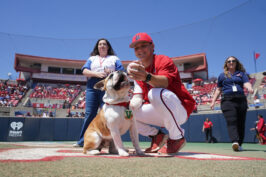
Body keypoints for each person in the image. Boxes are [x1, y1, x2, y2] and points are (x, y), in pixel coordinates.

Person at [127, 32, 195, 154]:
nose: (140, 50)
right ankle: (156, 136)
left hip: (179, 109)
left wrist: (147, 77)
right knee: (126, 114)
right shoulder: (137, 70)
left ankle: (177, 137)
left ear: (152, 46)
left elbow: (164, 83)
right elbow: (137, 96)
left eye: (143, 45)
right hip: (160, 111)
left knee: (155, 93)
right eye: (136, 48)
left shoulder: (163, 60)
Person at [73, 38, 124, 147]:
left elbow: (121, 71)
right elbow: (84, 71)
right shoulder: (92, 58)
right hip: (92, 86)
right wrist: (97, 74)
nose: (102, 46)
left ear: (108, 46)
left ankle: (112, 143)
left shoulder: (114, 58)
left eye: (104, 44)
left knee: (108, 115)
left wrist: (112, 72)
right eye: (100, 44)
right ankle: (83, 141)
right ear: (97, 47)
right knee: (89, 114)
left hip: (108, 87)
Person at [210, 56, 254, 151]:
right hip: (227, 100)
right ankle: (235, 141)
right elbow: (218, 89)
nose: (231, 62)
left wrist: (249, 88)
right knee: (232, 120)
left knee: (241, 123)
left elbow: (246, 83)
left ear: (236, 62)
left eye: (233, 61)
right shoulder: (222, 75)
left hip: (241, 99)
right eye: (229, 61)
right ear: (226, 63)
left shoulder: (241, 74)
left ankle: (239, 144)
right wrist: (213, 101)